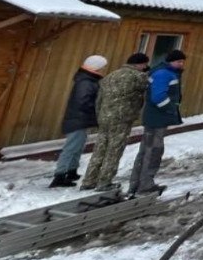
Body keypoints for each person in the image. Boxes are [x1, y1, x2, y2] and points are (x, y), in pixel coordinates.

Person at [80, 53, 150, 192]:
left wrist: (99, 114)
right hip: (121, 119)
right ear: (139, 64)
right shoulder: (137, 76)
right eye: (144, 65)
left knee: (100, 149)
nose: (145, 67)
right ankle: (104, 182)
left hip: (104, 117)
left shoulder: (111, 75)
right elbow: (146, 86)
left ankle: (89, 180)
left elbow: (99, 98)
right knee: (114, 150)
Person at [128, 49, 186, 198]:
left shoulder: (162, 72)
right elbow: (158, 97)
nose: (181, 64)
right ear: (171, 61)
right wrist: (170, 110)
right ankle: (145, 185)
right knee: (153, 151)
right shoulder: (163, 74)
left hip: (154, 118)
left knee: (146, 151)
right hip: (157, 119)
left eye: (182, 61)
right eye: (179, 61)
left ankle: (136, 184)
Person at [49, 55, 109, 188]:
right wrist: (95, 109)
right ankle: (59, 175)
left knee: (78, 146)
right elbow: (83, 101)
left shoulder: (87, 79)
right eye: (102, 67)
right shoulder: (86, 82)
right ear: (96, 67)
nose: (104, 69)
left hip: (80, 118)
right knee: (71, 148)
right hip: (78, 118)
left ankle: (71, 171)